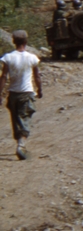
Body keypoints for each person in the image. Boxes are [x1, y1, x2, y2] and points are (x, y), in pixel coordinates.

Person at [0, 30, 42, 161]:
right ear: (26, 42)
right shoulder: (32, 58)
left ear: (13, 41)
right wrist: (40, 89)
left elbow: (4, 77)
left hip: (13, 94)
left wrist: (0, 93)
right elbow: (37, 76)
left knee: (16, 119)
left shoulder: (8, 57)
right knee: (25, 118)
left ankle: (19, 141)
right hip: (27, 92)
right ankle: (21, 145)